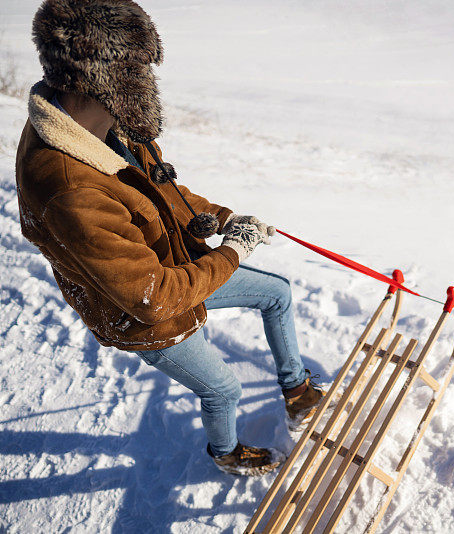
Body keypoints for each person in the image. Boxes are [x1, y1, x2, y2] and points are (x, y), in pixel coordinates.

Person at [15, 0, 324, 476]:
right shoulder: (69, 188)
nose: (148, 82)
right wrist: (233, 251)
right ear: (103, 77)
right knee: (223, 389)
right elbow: (154, 299)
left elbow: (162, 190)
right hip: (142, 312)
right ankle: (226, 453)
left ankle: (298, 392)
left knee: (276, 293)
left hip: (172, 264)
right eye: (138, 68)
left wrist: (224, 218)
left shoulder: (104, 126)